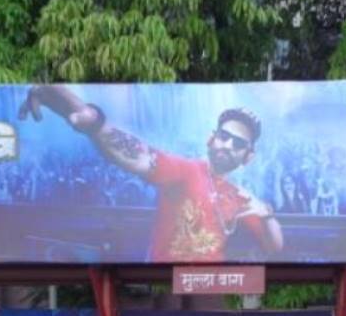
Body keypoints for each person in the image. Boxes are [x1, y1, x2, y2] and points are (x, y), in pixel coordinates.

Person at [19, 85, 282, 263]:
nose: (227, 145)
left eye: (238, 143)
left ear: (248, 157)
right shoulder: (187, 170)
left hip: (212, 290)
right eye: (224, 136)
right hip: (164, 287)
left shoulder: (243, 198)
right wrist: (94, 121)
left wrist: (267, 216)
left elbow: (275, 248)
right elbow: (138, 154)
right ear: (211, 138)